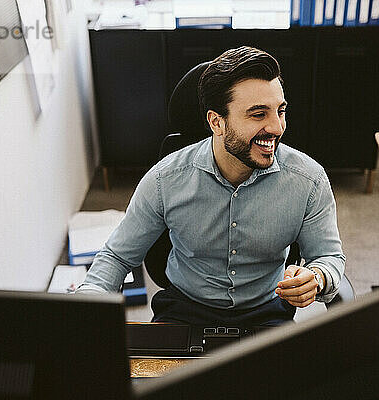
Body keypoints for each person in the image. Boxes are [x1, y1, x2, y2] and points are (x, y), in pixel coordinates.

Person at [77, 46, 345, 327]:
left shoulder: (309, 180)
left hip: (267, 311)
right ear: (217, 122)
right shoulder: (164, 179)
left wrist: (318, 277)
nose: (277, 127)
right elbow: (117, 256)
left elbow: (328, 256)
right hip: (184, 310)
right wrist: (89, 302)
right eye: (258, 114)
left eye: (280, 111)